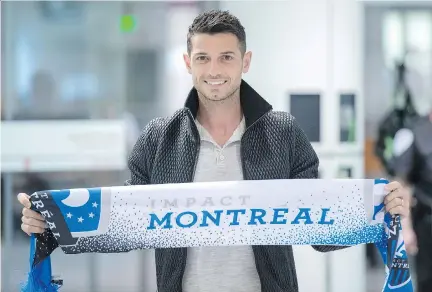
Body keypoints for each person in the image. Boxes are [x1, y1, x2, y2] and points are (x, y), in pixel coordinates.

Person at [18, 10, 410, 292]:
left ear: (245, 61)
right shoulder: (159, 138)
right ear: (189, 63)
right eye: (203, 58)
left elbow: (319, 227)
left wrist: (378, 210)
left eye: (226, 57)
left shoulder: (283, 132)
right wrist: (51, 223)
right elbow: (125, 224)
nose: (214, 69)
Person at [391, 109, 432, 292]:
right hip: (426, 221)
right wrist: (405, 228)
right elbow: (402, 183)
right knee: (427, 279)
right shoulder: (413, 132)